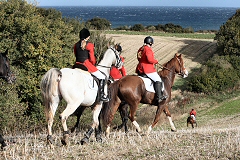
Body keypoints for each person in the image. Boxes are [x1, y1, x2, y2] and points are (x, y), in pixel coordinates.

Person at [73, 28, 109, 102]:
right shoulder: (89, 45)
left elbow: (76, 54)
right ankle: (101, 95)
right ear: (87, 37)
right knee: (102, 77)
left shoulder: (75, 45)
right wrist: (93, 64)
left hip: (76, 64)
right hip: (86, 65)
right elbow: (92, 59)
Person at [135, 36, 168, 102]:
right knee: (158, 80)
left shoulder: (141, 49)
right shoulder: (148, 49)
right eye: (152, 43)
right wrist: (155, 61)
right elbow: (150, 60)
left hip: (140, 68)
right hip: (147, 69)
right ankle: (159, 97)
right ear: (150, 43)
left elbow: (138, 58)